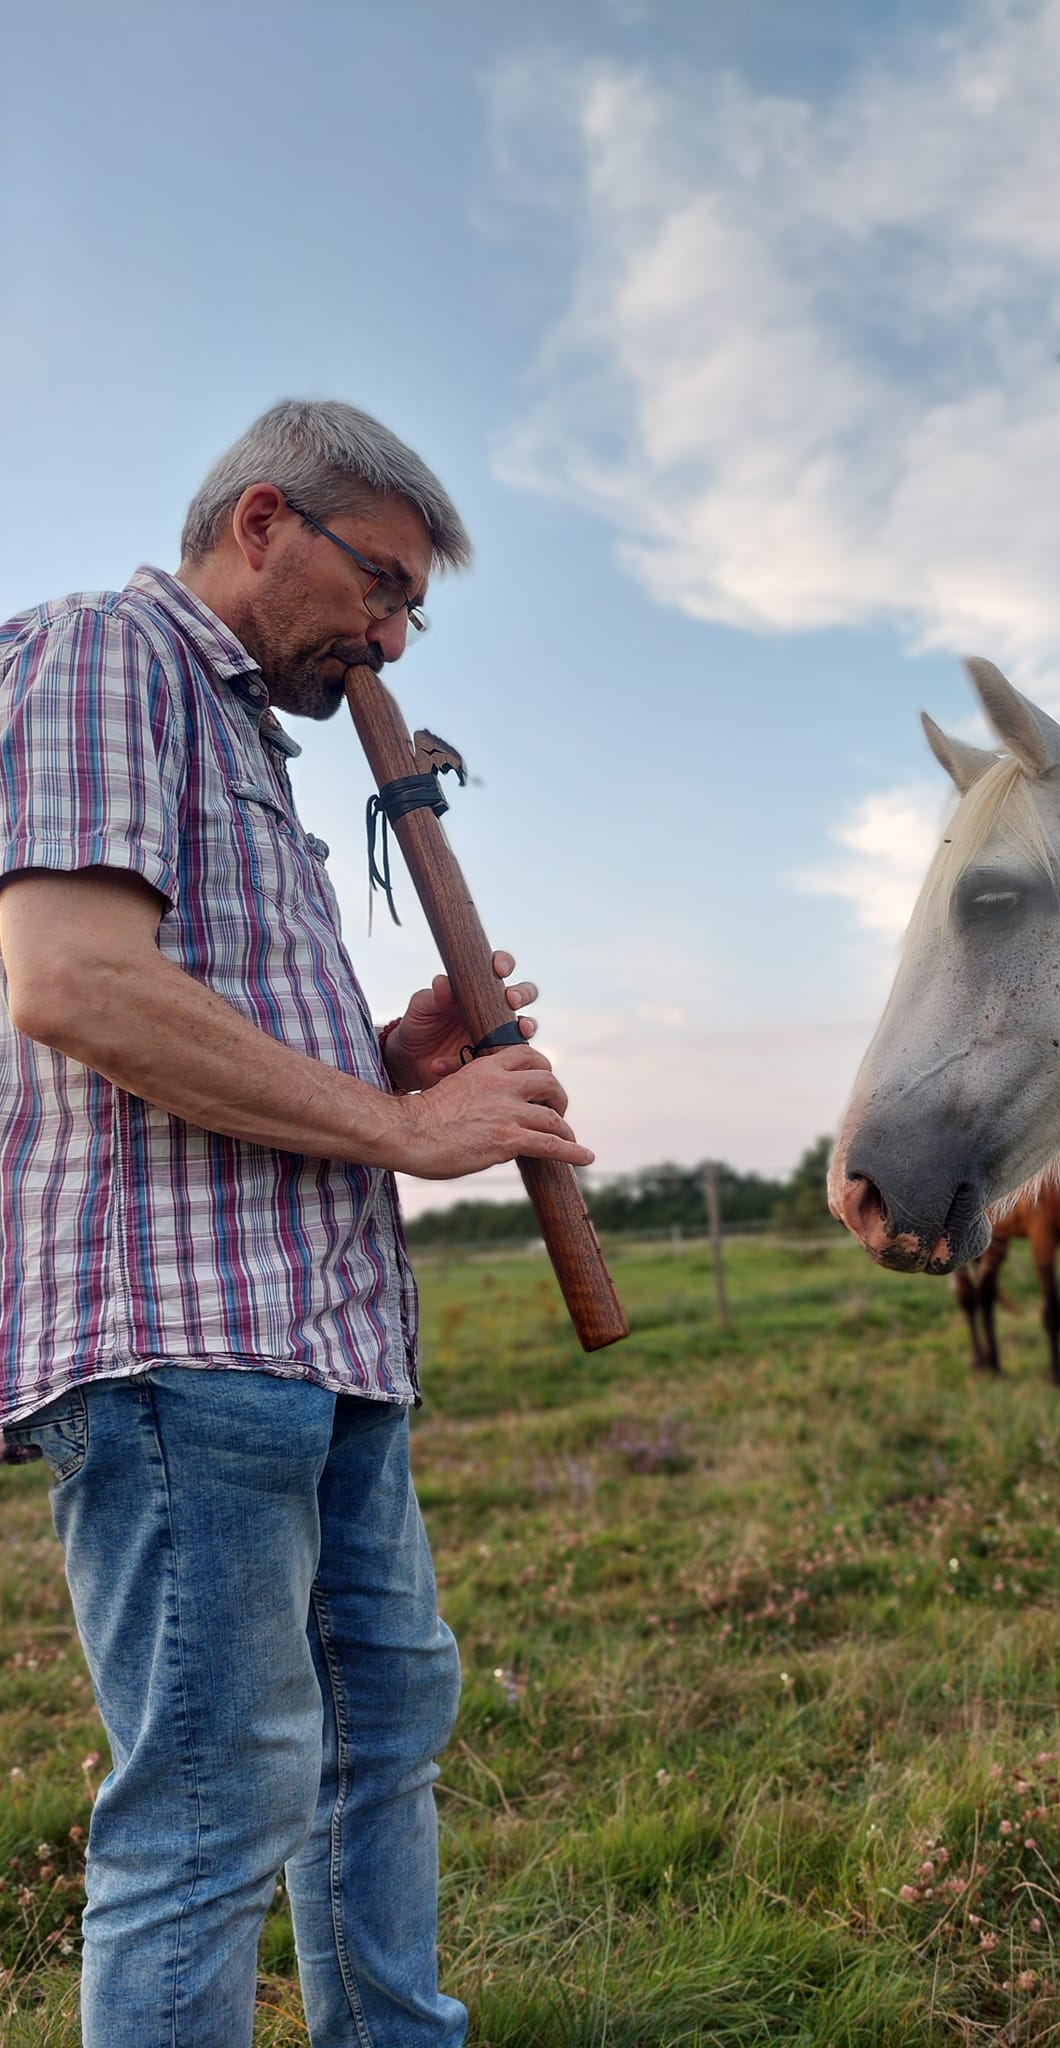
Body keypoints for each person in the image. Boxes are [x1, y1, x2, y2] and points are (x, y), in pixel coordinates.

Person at [0, 400, 594, 2047]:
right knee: (212, 1800)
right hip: (183, 1343)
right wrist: (411, 1125)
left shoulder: (253, 745)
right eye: (383, 588)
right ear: (265, 520)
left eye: (414, 611)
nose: (395, 638)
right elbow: (77, 984)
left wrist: (383, 1059)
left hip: (324, 1343)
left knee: (384, 1725)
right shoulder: (106, 653)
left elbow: (218, 1032)